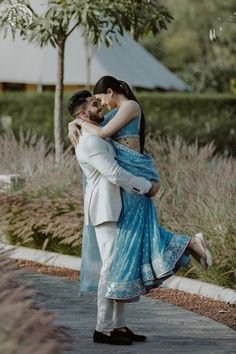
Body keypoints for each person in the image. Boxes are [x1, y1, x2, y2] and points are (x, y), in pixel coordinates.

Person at [68, 90, 159, 345]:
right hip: (105, 209)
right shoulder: (90, 141)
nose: (102, 107)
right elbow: (114, 174)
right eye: (95, 105)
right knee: (110, 267)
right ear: (84, 113)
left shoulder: (95, 132)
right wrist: (145, 186)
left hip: (117, 206)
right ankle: (102, 328)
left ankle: (118, 325)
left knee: (119, 267)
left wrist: (74, 123)